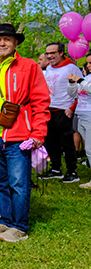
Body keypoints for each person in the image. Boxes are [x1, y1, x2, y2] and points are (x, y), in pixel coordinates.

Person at [0, 23, 50, 243]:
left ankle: (19, 227)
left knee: (18, 183)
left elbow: (41, 101)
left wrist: (38, 132)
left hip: (18, 137)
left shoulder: (29, 66)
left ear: (15, 43)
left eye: (7, 39)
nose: (2, 43)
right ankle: (4, 220)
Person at [40, 42, 82, 183]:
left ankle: (72, 171)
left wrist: (72, 107)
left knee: (67, 142)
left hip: (64, 110)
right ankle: (55, 169)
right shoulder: (49, 68)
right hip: (49, 109)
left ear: (61, 53)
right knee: (51, 141)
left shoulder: (71, 68)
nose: (50, 56)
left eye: (53, 53)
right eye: (47, 53)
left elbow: (81, 90)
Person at [67, 72, 91, 188]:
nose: (89, 65)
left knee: (90, 150)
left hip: (90, 116)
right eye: (88, 63)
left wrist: (80, 81)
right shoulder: (87, 78)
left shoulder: (84, 80)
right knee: (89, 151)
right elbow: (74, 95)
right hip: (82, 116)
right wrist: (71, 84)